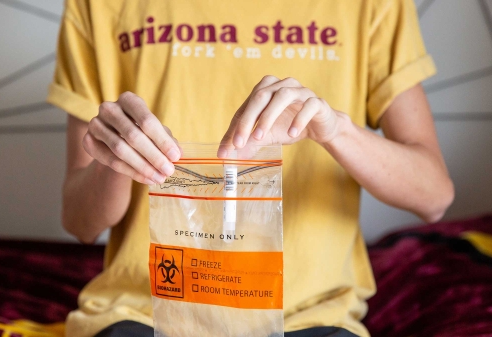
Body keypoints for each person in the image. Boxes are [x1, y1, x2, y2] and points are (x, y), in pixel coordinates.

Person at [47, 0, 454, 336]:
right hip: (143, 315)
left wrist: (336, 131)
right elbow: (80, 222)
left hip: (309, 318)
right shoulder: (97, 6)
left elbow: (434, 196)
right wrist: (119, 159)